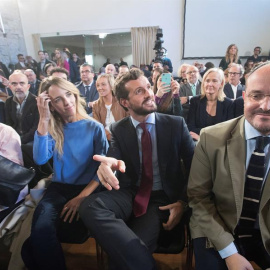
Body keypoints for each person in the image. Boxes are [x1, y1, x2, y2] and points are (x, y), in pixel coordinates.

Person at [79, 68, 194, 270]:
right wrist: (107, 165)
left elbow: (195, 169)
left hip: (159, 199)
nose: (150, 93)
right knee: (89, 206)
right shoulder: (118, 128)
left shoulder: (175, 124)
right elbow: (114, 158)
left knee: (120, 261)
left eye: (148, 87)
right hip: (130, 192)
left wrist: (183, 202)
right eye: (139, 91)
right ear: (125, 102)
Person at [188, 61, 270, 270]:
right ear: (244, 97)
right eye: (256, 95)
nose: (265, 106)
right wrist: (229, 252)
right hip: (217, 226)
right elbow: (198, 198)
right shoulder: (211, 138)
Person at [21, 77, 108, 270]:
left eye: (68, 94)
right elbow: (40, 158)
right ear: (50, 105)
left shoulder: (94, 127)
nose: (67, 102)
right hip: (59, 189)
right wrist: (43, 119)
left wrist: (81, 197)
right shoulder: (53, 127)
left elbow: (103, 171)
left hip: (88, 189)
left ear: (75, 94)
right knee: (39, 233)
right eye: (58, 99)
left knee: (33, 245)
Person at [187, 68, 234, 141]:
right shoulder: (195, 101)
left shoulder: (228, 104)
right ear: (203, 83)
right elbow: (191, 128)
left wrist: (201, 138)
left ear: (221, 84)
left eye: (214, 81)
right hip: (197, 145)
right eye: (207, 81)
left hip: (219, 145)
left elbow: (227, 132)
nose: (210, 84)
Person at [5, 72, 39, 144]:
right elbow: (8, 124)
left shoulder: (37, 102)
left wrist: (20, 141)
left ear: (28, 86)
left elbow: (36, 128)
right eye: (14, 84)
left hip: (32, 140)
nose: (18, 87)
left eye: (22, 83)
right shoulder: (8, 102)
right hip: (14, 138)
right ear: (10, 87)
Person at [92, 74, 128, 141]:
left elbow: (128, 124)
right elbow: (98, 127)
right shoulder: (96, 105)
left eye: (103, 84)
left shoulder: (122, 102)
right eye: (98, 85)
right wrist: (111, 138)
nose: (100, 88)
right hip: (105, 140)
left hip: (123, 138)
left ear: (111, 86)